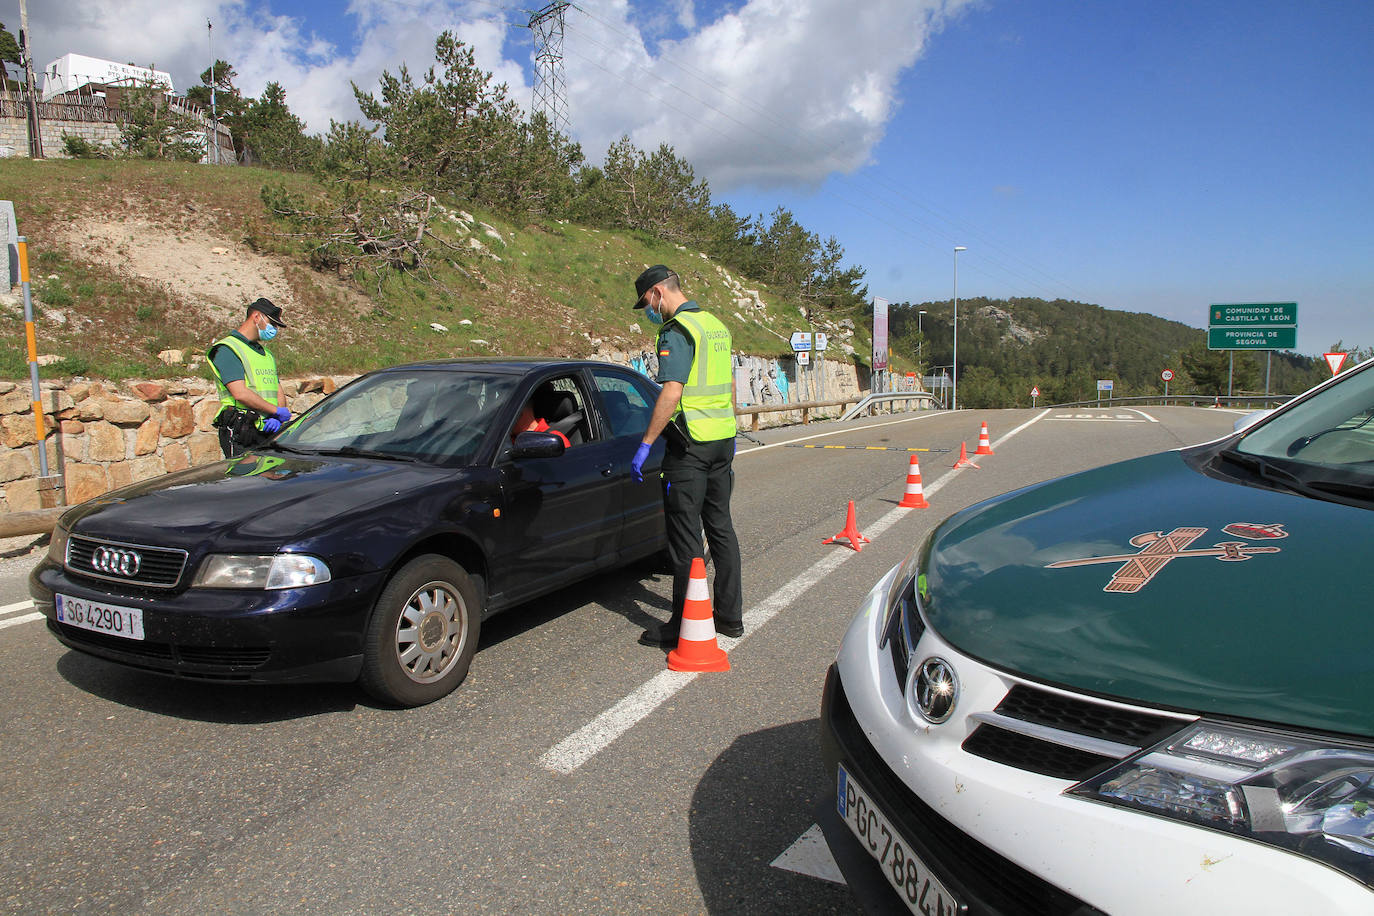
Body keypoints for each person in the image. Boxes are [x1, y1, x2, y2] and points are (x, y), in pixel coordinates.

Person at [629, 265, 743, 645]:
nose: (649, 309)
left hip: (690, 446)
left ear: (659, 292)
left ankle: (682, 626)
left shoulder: (676, 330)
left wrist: (646, 443)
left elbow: (672, 392)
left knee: (685, 540)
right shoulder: (714, 325)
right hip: (722, 439)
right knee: (721, 529)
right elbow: (727, 385)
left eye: (647, 301)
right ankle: (729, 617)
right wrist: (728, 427)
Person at [208, 298, 291, 458]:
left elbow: (277, 389)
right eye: (272, 324)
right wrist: (276, 411)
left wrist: (277, 419)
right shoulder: (228, 349)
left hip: (269, 430)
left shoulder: (266, 354)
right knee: (247, 481)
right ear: (256, 317)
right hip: (243, 431)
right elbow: (240, 393)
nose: (274, 329)